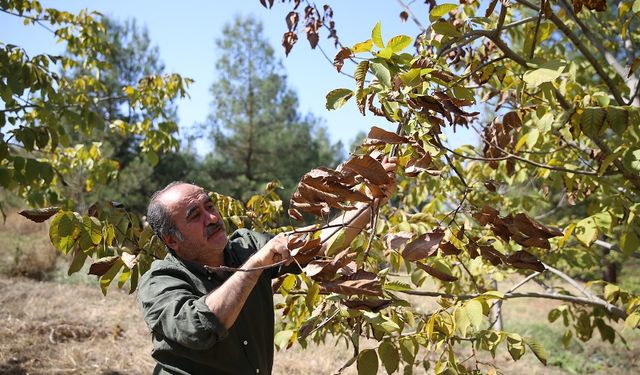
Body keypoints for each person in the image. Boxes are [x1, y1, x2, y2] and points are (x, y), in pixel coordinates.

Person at [137, 159, 396, 375]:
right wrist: (257, 264)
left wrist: (370, 201)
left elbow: (317, 247)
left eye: (210, 205)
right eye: (195, 215)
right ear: (171, 239)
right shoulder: (160, 281)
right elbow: (199, 328)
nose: (213, 218)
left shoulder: (246, 245)